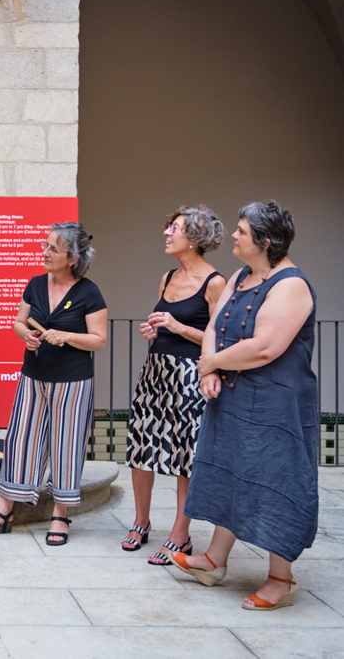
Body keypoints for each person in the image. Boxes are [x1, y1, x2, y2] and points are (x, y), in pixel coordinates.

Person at [172, 201, 317, 611]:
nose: (233, 237)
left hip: (277, 404)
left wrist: (212, 363)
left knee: (276, 483)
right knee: (229, 473)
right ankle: (214, 561)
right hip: (233, 394)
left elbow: (265, 347)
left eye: (241, 232)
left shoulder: (291, 284)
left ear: (265, 242)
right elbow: (214, 326)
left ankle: (281, 579)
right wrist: (210, 369)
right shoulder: (239, 276)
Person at [0, 222, 107, 544]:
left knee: (66, 445)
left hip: (73, 382)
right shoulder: (35, 284)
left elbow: (99, 340)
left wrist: (67, 336)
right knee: (20, 441)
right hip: (33, 377)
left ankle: (60, 514)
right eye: (45, 245)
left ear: (72, 258)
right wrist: (27, 336)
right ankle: (4, 511)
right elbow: (19, 322)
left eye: (53, 249)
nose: (45, 252)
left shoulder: (89, 292)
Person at [122, 206, 226, 564]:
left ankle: (181, 536)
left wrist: (179, 328)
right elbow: (164, 325)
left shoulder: (215, 282)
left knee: (184, 455)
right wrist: (153, 331)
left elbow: (220, 339)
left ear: (194, 238)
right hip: (155, 372)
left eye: (175, 228)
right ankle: (141, 522)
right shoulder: (167, 277)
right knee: (141, 448)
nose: (166, 233)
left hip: (190, 376)